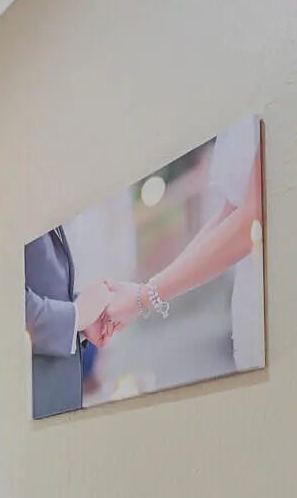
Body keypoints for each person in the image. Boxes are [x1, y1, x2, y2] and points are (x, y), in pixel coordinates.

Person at [102, 116, 265, 370]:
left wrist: (144, 297)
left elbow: (252, 218)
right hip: (248, 300)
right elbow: (228, 214)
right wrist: (145, 291)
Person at [24, 227, 117, 418]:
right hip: (28, 401)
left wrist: (83, 314)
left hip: (57, 395)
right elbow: (0, 299)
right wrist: (77, 315)